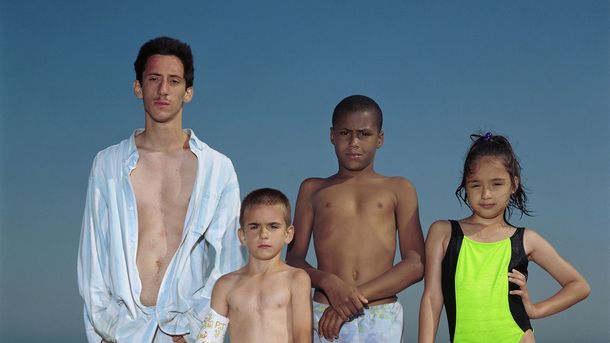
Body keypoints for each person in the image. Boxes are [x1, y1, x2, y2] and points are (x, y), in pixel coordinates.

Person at [77, 36, 244, 343]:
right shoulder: (108, 164)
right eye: (154, 79)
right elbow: (93, 263)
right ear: (138, 87)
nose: (163, 90)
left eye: (174, 81)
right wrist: (113, 330)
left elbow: (229, 265)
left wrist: (199, 333)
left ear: (188, 92)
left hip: (188, 333)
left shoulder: (218, 168)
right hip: (120, 332)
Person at [418, 132, 591, 343]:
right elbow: (432, 297)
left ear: (514, 184)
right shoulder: (443, 232)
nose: (486, 194)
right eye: (475, 184)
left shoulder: (526, 239)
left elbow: (579, 286)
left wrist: (536, 310)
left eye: (497, 184)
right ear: (465, 185)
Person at [286, 95, 425, 342]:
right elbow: (294, 259)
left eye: (364, 134)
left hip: (380, 314)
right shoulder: (313, 189)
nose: (354, 142)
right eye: (345, 133)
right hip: (324, 313)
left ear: (379, 138)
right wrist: (328, 282)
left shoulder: (399, 188)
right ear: (332, 135)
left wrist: (349, 300)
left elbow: (415, 264)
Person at [197, 188, 312, 343]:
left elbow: (302, 337)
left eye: (273, 226)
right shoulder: (225, 285)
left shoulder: (296, 279)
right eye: (254, 226)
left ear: (288, 234)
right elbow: (208, 339)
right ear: (242, 235)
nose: (263, 234)